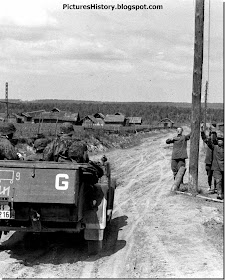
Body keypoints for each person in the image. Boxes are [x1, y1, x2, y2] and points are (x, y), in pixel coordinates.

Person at [202, 127, 224, 200]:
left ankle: (222, 192)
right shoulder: (214, 147)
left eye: (222, 140)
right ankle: (219, 194)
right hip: (217, 168)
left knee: (222, 181)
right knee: (218, 180)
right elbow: (208, 142)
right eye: (219, 140)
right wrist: (203, 132)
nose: (220, 142)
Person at [200, 126, 217, 193]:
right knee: (209, 175)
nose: (213, 136)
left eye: (214, 135)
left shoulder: (218, 144)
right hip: (208, 162)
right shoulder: (208, 142)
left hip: (215, 163)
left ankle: (215, 188)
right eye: (212, 135)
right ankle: (210, 186)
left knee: (216, 176)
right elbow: (204, 138)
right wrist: (201, 130)